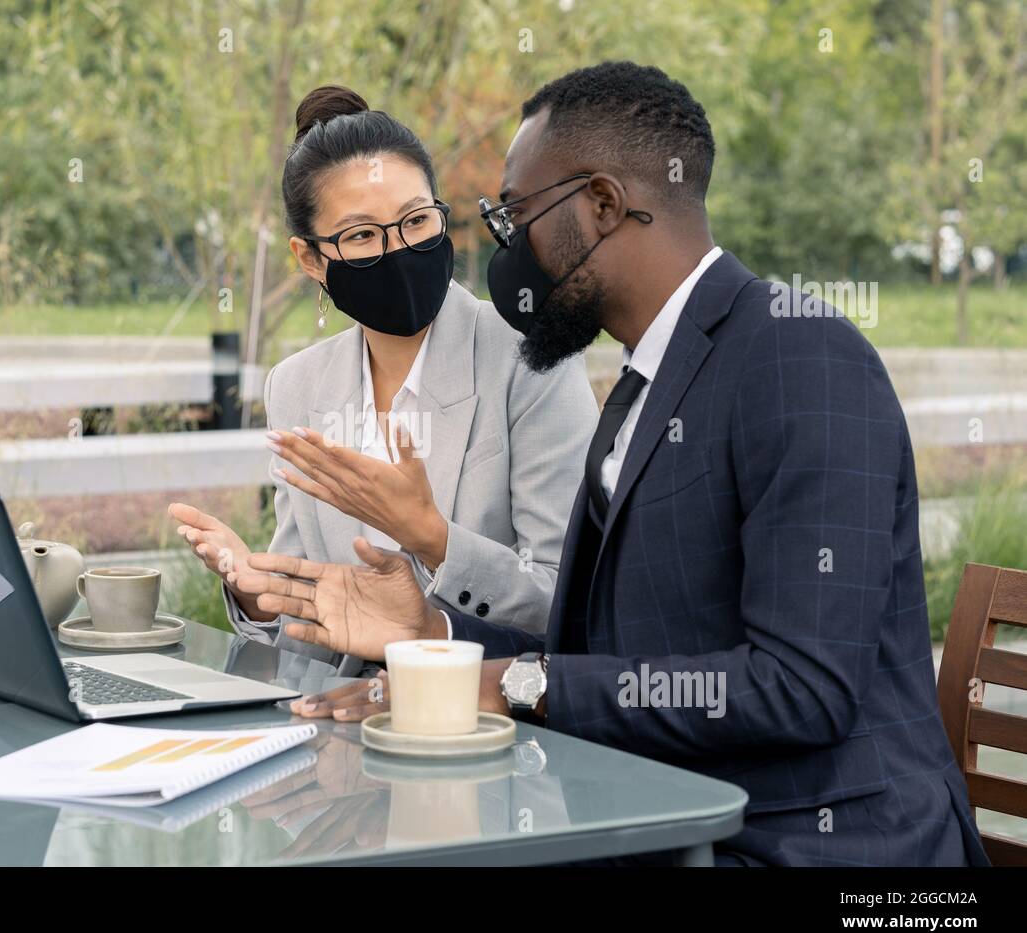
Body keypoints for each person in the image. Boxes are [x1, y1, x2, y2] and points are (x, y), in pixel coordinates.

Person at [230, 63, 990, 866]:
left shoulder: (797, 354)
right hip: (653, 820)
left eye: (516, 217)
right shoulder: (641, 386)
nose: (506, 254)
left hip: (816, 845)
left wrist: (517, 685)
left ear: (600, 204)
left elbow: (804, 688)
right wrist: (433, 633)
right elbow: (598, 657)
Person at [170, 85, 595, 676]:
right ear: (310, 259)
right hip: (344, 727)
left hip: (488, 719)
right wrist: (257, 593)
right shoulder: (297, 386)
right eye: (363, 235)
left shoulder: (530, 358)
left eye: (417, 221)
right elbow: (312, 635)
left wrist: (433, 538)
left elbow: (573, 605)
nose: (400, 250)